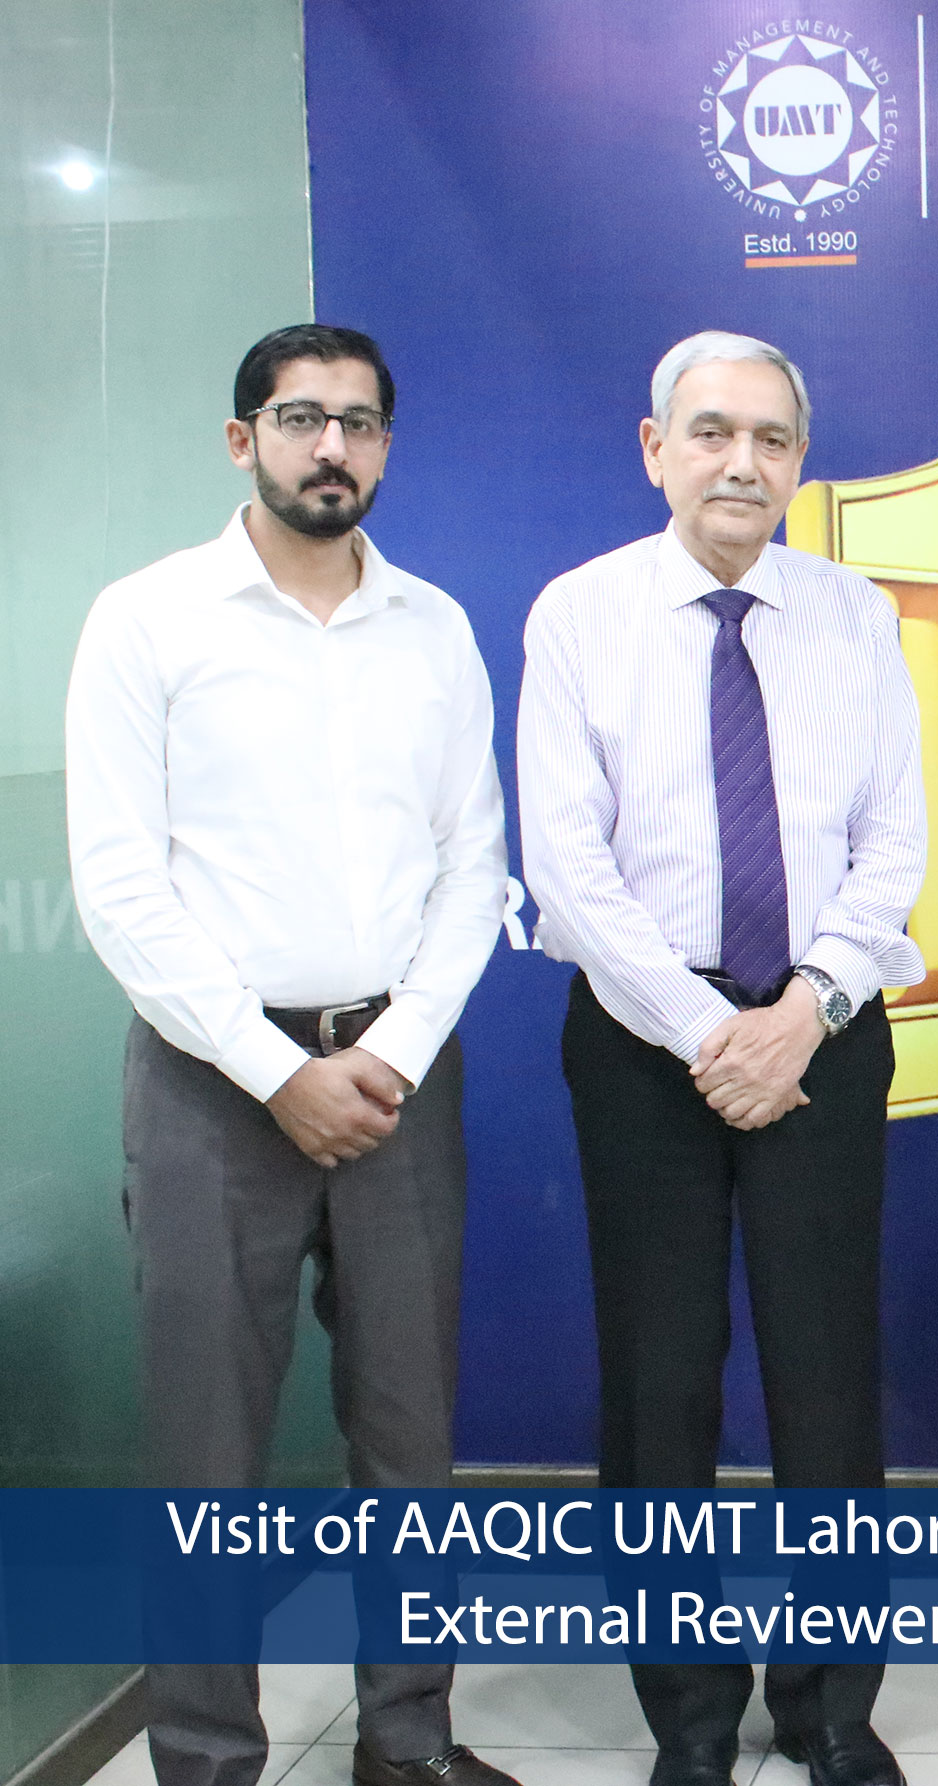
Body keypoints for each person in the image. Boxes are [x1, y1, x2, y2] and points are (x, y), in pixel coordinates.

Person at [65, 324, 513, 1786]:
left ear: (386, 444)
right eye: (303, 417)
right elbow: (120, 886)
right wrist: (277, 1072)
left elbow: (474, 863)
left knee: (410, 1434)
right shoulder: (148, 619)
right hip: (211, 1086)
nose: (333, 447)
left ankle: (409, 1740)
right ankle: (204, 1757)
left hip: (398, 1079)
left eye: (360, 422)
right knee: (208, 1449)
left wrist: (395, 1049)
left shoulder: (433, 627)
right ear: (241, 437)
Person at [516, 332, 925, 1786]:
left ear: (800, 460)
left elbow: (894, 842)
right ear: (655, 449)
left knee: (829, 1381)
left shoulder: (854, 614)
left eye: (770, 438)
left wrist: (804, 1009)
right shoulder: (580, 613)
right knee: (659, 1387)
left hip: (822, 1036)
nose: (742, 462)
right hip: (646, 1046)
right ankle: (689, 1716)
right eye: (711, 433)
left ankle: (832, 1707)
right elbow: (567, 871)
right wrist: (708, 1033)